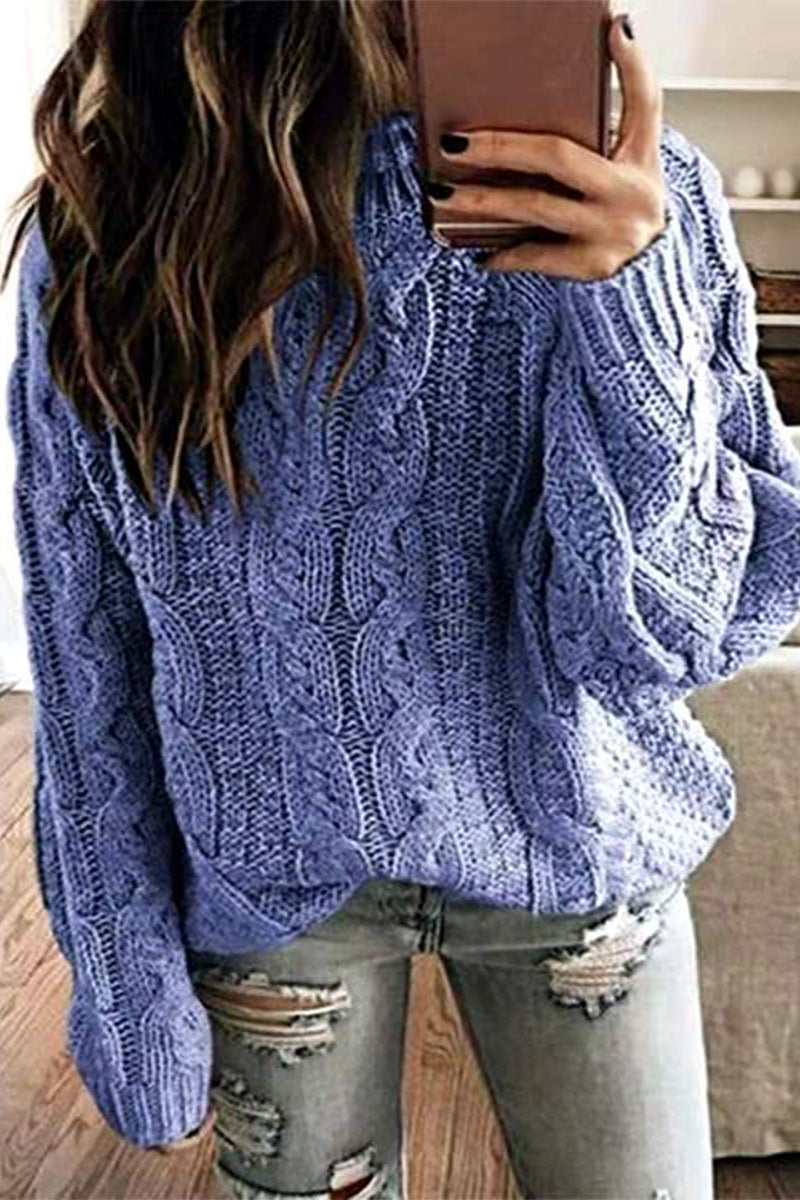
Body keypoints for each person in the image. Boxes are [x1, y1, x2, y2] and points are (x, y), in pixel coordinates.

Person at [4, 2, 800, 1198]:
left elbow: (668, 636)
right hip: (271, 886)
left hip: (581, 850)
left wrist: (630, 304)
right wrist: (123, 974)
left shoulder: (632, 196)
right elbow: (85, 645)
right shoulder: (119, 223)